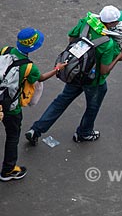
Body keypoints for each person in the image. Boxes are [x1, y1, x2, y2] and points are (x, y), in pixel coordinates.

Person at [25, 6, 122, 145]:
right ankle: (84, 133)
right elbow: (104, 70)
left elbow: (72, 38)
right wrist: (119, 57)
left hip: (75, 72)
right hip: (93, 81)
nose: (118, 24)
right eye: (116, 22)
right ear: (110, 24)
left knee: (61, 101)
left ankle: (36, 130)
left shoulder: (86, 22)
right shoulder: (107, 43)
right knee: (93, 106)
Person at [1, 28, 66, 181]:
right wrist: (57, 69)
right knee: (12, 136)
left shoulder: (5, 50)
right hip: (10, 107)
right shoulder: (29, 67)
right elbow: (40, 78)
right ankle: (8, 170)